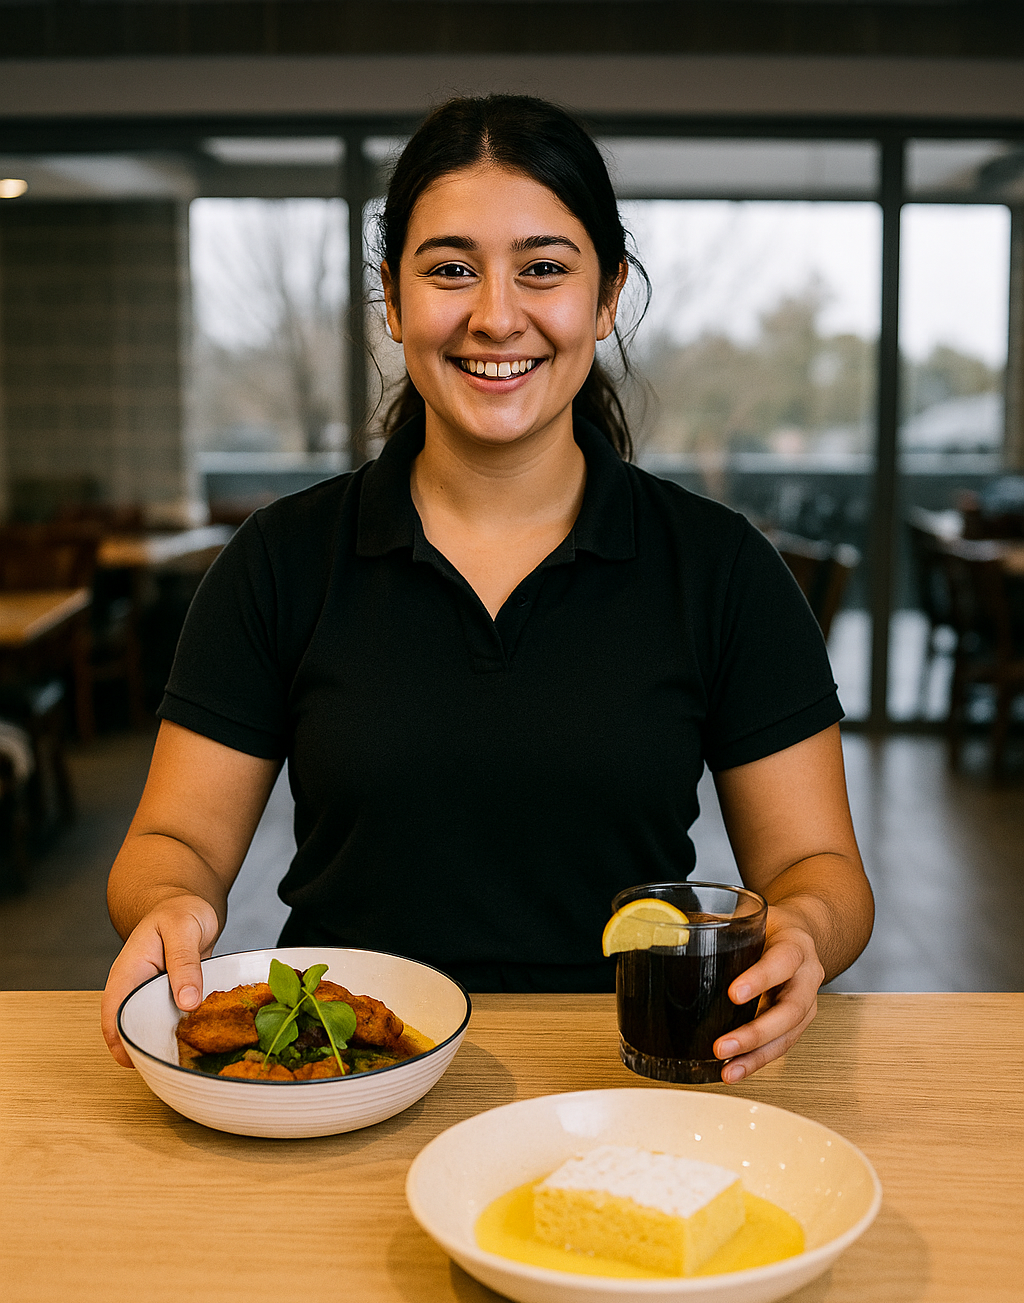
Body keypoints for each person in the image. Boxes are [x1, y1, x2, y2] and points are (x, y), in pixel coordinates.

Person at [101, 94, 873, 1082]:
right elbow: (169, 840)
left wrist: (803, 929)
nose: (496, 315)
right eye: (450, 269)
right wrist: (173, 903)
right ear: (393, 296)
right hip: (342, 1073)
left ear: (606, 297)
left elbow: (821, 872)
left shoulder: (720, 569)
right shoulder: (279, 560)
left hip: (627, 1072)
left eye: (543, 269)